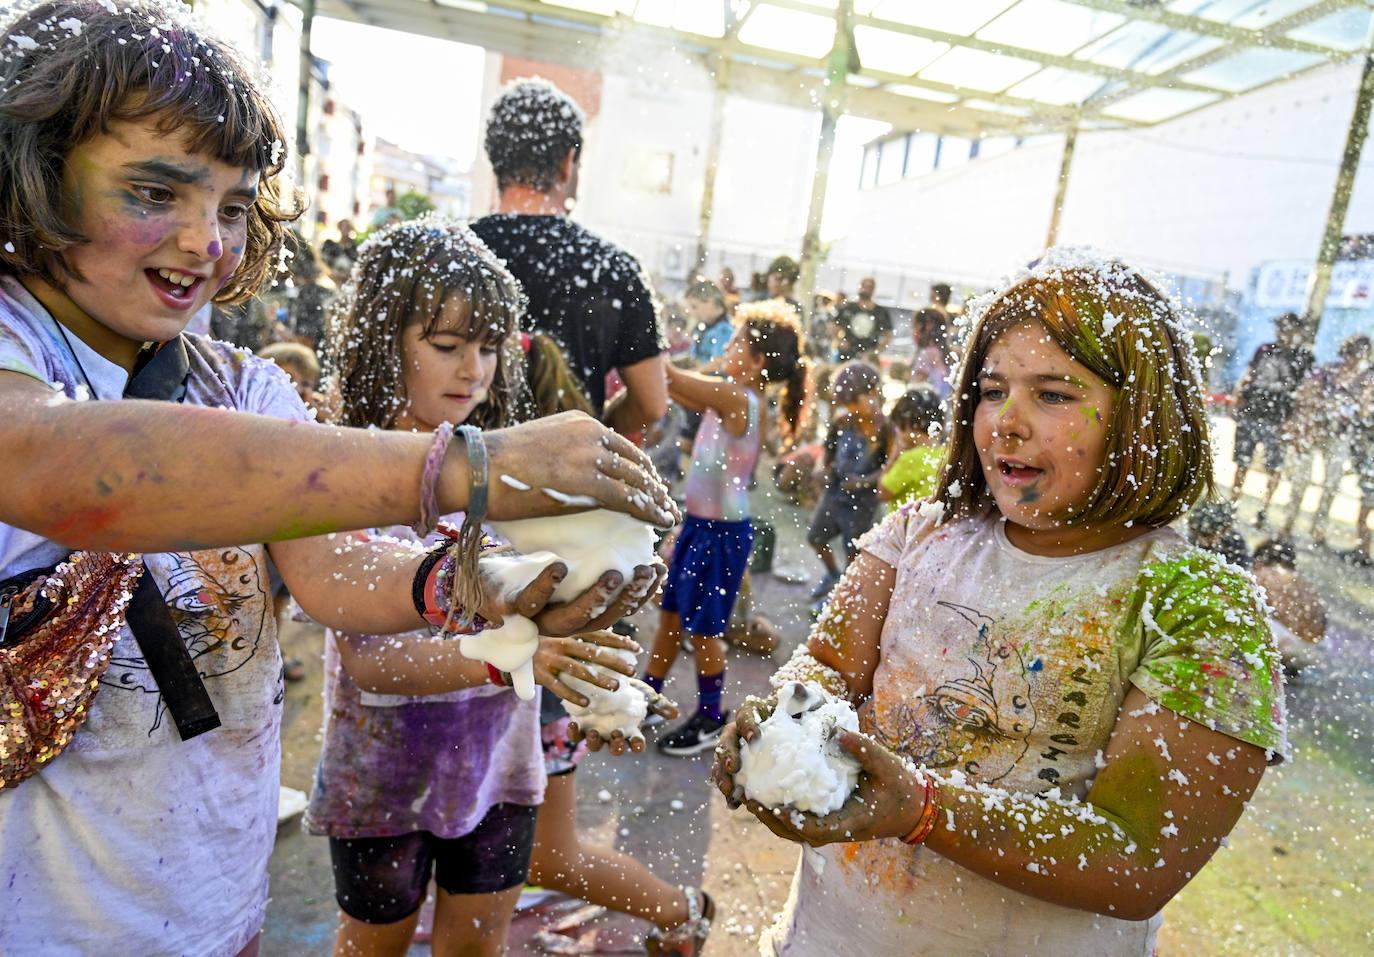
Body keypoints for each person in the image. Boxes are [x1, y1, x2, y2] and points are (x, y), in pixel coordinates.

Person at [0, 6, 676, 954]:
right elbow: (55, 465)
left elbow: (335, 575)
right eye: (157, 190)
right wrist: (473, 466)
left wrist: (470, 589)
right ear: (30, 175)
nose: (204, 241)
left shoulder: (241, 385)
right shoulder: (15, 354)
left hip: (212, 906)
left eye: (233, 208)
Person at [712, 252, 1287, 956]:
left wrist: (923, 809)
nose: (1005, 424)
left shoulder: (1199, 607)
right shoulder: (919, 532)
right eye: (990, 390)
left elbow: (1140, 858)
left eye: (1052, 394)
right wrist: (784, 727)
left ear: (1141, 415)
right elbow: (829, 662)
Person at [306, 219, 660, 957]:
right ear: (382, 338)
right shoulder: (344, 471)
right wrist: (511, 658)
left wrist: (608, 687)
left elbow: (550, 612)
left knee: (477, 947)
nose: (474, 369)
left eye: (491, 348)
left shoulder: (509, 472)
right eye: (446, 345)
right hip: (382, 785)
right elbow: (373, 662)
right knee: (373, 945)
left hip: (499, 769)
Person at [644, 302, 808, 757]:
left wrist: (647, 340)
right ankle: (648, 697)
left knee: (704, 629)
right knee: (672, 617)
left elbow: (673, 379)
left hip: (722, 536)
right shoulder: (728, 394)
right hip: (701, 525)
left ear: (757, 362)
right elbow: (676, 390)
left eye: (737, 343)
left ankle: (711, 719)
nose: (728, 348)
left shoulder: (740, 400)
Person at [471, 78, 666, 432]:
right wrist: (594, 430)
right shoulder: (614, 268)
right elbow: (651, 404)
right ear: (568, 162)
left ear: (494, 160)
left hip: (464, 470)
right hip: (565, 478)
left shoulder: (451, 251)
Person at [807, 360, 888, 602]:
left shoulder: (886, 430)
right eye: (845, 404)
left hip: (862, 504)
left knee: (853, 552)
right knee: (815, 538)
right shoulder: (843, 423)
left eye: (854, 402)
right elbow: (827, 452)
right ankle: (833, 575)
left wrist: (864, 481)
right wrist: (821, 468)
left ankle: (844, 596)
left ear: (873, 393)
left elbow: (890, 469)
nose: (849, 409)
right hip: (834, 494)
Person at [1281, 334, 1370, 545]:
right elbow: (1305, 393)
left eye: (1360, 353)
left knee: (1332, 483)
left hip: (1339, 434)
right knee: (1301, 480)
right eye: (1352, 352)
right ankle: (1288, 524)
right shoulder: (1328, 370)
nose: (1354, 358)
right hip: (1314, 429)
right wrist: (1314, 411)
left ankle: (1318, 530)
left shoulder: (1365, 379)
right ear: (1345, 351)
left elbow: (1365, 409)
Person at [1230, 312, 1315, 523]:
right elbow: (1249, 373)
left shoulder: (1304, 358)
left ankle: (1263, 508)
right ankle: (1233, 502)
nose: (1281, 332)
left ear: (1297, 332)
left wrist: (1295, 419)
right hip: (1252, 411)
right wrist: (1237, 394)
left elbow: (1305, 391)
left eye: (1286, 328)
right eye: (1279, 327)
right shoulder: (1265, 349)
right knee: (1242, 461)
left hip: (1279, 419)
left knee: (1274, 466)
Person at [1251, 538, 1326, 675]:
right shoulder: (1303, 581)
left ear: (1258, 561)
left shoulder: (1264, 574)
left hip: (1285, 646)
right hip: (1313, 649)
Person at [878, 386, 945, 513]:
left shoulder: (910, 459)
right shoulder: (947, 453)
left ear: (909, 424)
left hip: (905, 528)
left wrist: (893, 457)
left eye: (897, 425)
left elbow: (883, 493)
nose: (896, 431)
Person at [833, 276, 892, 362]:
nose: (866, 289)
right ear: (859, 287)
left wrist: (876, 352)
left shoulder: (880, 312)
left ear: (873, 289)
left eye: (869, 287)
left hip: (868, 358)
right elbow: (835, 327)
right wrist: (840, 342)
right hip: (847, 355)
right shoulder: (848, 308)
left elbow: (888, 335)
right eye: (864, 286)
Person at [682, 278, 734, 368]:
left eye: (694, 307)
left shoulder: (724, 329)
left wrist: (689, 375)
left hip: (711, 379)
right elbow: (692, 357)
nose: (691, 312)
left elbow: (718, 363)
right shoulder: (704, 327)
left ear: (711, 302)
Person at [909, 305, 951, 399]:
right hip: (939, 405)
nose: (913, 332)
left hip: (927, 404)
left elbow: (917, 386)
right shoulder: (943, 352)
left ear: (928, 326)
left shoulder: (927, 353)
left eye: (915, 327)